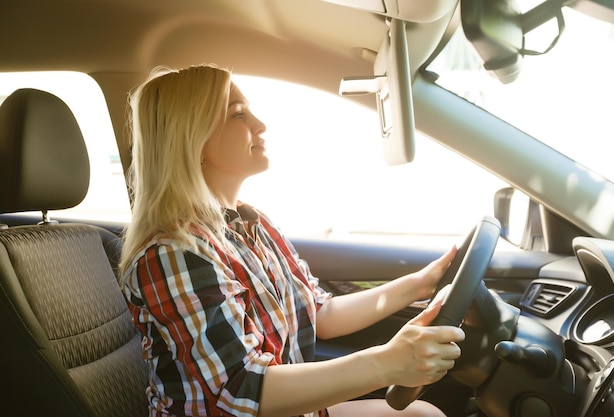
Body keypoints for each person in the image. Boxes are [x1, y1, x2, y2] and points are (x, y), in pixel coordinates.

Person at [119, 63, 465, 417]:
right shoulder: (172, 254)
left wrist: (421, 283)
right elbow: (243, 389)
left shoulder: (254, 225)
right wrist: (387, 363)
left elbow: (319, 311)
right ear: (193, 138)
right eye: (238, 114)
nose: (260, 125)